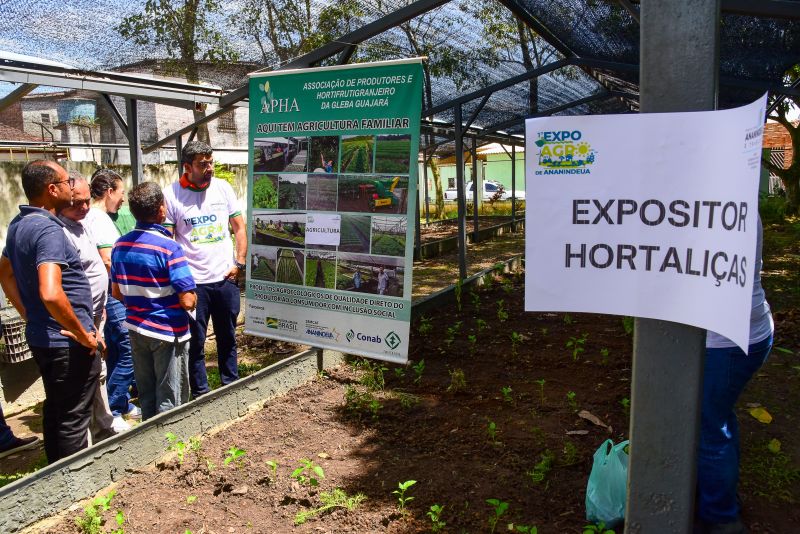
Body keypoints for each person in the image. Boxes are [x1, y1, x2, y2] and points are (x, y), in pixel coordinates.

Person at [0, 160, 99, 463]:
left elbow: (5, 273)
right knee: (72, 419)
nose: (73, 187)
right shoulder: (47, 229)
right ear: (52, 189)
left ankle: (55, 478)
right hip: (67, 343)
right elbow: (51, 292)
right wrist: (84, 336)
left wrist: (30, 314)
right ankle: (75, 492)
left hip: (46, 337)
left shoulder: (20, 224)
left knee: (56, 410)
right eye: (68, 182)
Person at [696, 216, 774, 534]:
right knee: (718, 417)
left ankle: (721, 517)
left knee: (709, 426)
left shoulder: (715, 205)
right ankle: (720, 495)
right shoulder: (729, 198)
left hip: (727, 340)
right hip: (744, 333)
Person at [163, 141, 247, 397]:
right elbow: (168, 240)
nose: (209, 168)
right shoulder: (172, 194)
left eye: (210, 162)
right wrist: (180, 280)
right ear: (187, 167)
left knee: (228, 337)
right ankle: (201, 393)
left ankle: (230, 385)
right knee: (196, 342)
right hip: (194, 283)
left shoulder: (222, 188)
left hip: (225, 279)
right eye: (203, 164)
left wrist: (239, 262)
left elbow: (239, 228)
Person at [111, 182, 197, 420]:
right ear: (161, 209)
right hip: (167, 332)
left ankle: (149, 441)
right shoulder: (169, 248)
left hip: (136, 329)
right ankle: (171, 447)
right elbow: (188, 300)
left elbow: (117, 292)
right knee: (171, 396)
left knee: (146, 393)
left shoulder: (120, 245)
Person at [58, 172, 129, 438]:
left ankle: (103, 422)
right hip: (78, 319)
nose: (85, 207)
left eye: (87, 201)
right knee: (84, 377)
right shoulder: (57, 230)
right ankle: (87, 437)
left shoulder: (82, 222)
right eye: (77, 202)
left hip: (96, 313)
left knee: (97, 368)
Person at [89, 169, 140, 422]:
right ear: (109, 192)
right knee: (128, 349)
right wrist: (126, 293)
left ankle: (119, 402)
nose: (123, 199)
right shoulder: (98, 220)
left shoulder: (95, 217)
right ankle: (116, 409)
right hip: (114, 294)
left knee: (118, 351)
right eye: (121, 193)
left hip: (108, 296)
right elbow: (109, 260)